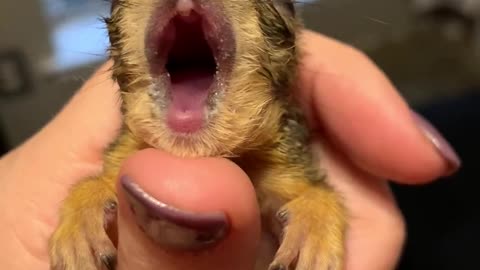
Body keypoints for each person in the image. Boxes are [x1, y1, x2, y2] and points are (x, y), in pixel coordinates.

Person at [0, 30, 460, 270]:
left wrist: (317, 217)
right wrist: (83, 210)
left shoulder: (280, 143)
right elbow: (96, 188)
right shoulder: (117, 145)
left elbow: (312, 194)